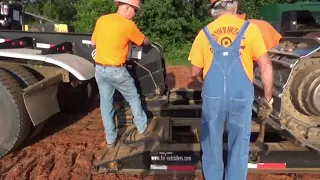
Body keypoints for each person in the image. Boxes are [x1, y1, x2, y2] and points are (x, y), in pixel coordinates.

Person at [188, 0, 274, 179]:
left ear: (214, 9)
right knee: (239, 144)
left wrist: (205, 78)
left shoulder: (205, 33)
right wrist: (267, 98)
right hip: (241, 97)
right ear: (235, 6)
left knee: (211, 142)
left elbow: (194, 71)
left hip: (213, 97)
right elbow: (265, 66)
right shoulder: (250, 29)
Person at [91, 0, 156, 148]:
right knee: (133, 97)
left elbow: (93, 43)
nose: (135, 15)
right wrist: (149, 41)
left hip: (100, 70)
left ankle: (111, 140)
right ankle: (143, 128)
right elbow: (143, 41)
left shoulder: (102, 20)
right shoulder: (128, 25)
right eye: (135, 11)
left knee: (106, 103)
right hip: (117, 71)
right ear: (127, 8)